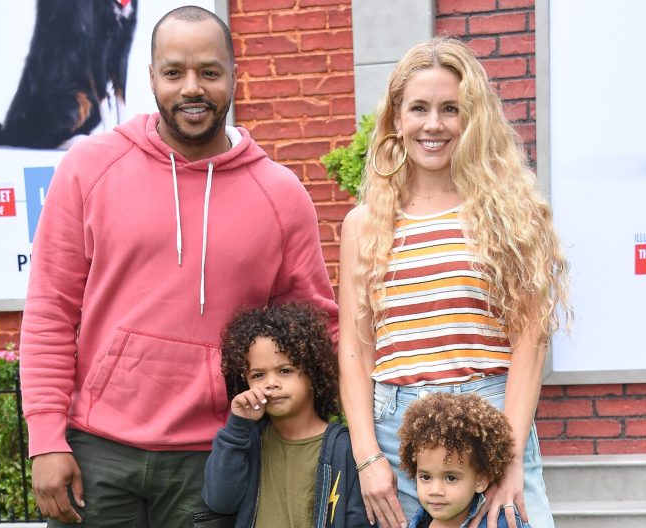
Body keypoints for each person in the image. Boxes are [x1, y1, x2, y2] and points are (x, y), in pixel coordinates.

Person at [19, 6, 337, 527]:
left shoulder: (281, 195)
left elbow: (316, 326)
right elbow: (51, 312)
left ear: (235, 75)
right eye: (174, 72)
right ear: (151, 78)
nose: (192, 88)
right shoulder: (89, 168)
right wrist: (46, 437)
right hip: (97, 450)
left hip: (216, 454)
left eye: (209, 72)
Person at [337, 36, 570, 528]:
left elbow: (530, 338)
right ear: (396, 119)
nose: (434, 124)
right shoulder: (363, 224)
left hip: (490, 415)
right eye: (419, 108)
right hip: (397, 433)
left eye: (451, 109)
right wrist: (366, 457)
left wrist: (505, 456)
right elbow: (356, 351)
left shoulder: (510, 214)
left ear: (474, 119)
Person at [201, 303, 370, 528]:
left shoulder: (344, 448)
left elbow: (358, 520)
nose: (271, 383)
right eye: (258, 374)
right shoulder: (247, 441)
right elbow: (220, 501)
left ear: (313, 372)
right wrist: (237, 427)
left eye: (285, 371)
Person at [398, 392, 530, 528]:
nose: (435, 490)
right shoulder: (418, 524)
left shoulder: (502, 524)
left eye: (450, 478)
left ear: (481, 481)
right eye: (425, 477)